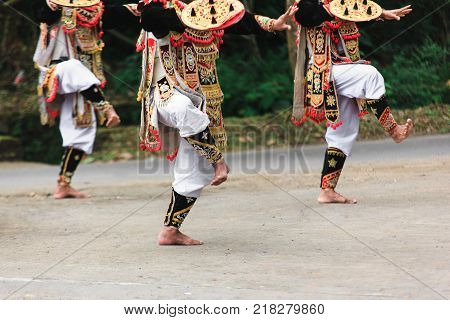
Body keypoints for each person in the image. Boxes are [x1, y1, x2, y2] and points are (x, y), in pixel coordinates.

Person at [137, 0, 297, 245]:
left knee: (195, 170)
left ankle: (170, 230)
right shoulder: (165, 11)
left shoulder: (209, 10)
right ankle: (219, 161)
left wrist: (272, 24)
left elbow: (240, 19)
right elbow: (150, 19)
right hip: (166, 92)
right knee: (184, 110)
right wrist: (181, 17)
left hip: (203, 99)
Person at [291, 0, 414, 204]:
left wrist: (380, 13)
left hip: (342, 70)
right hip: (324, 71)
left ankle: (327, 190)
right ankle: (394, 130)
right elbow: (306, 15)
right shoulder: (306, 4)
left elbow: (357, 13)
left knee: (343, 132)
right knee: (370, 76)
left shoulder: (342, 3)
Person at [34, 0, 140, 199]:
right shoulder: (55, 6)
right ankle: (106, 108)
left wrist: (141, 8)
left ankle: (63, 184)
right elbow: (41, 15)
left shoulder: (95, 9)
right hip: (57, 71)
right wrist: (54, 5)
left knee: (83, 130)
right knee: (73, 67)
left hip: (86, 81)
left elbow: (116, 14)